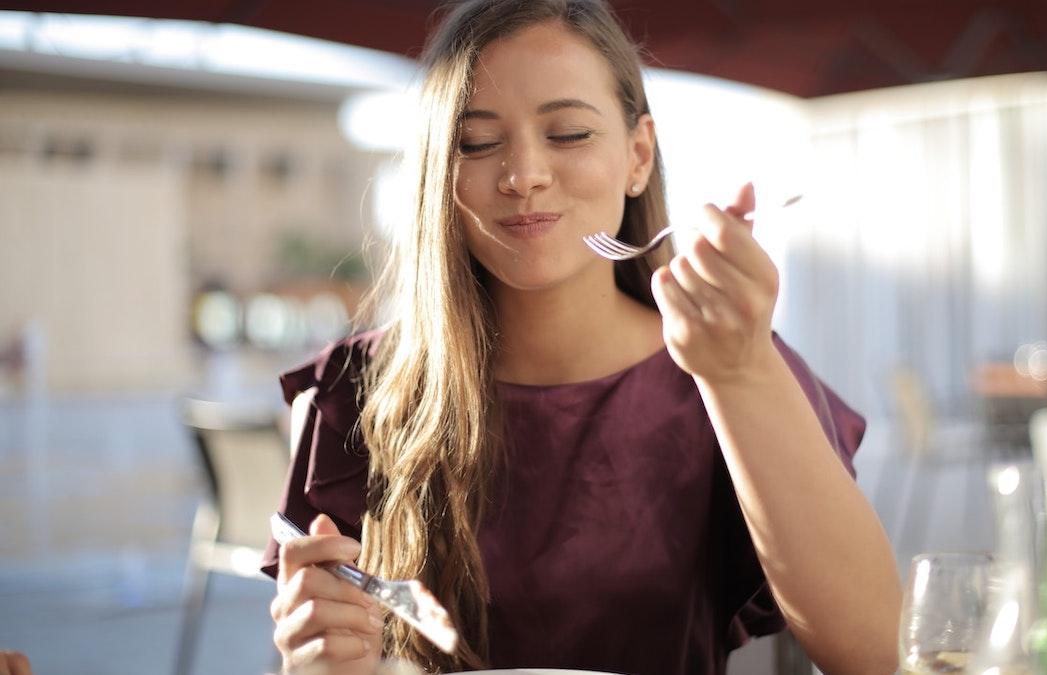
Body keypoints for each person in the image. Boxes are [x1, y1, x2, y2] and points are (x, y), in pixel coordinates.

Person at [262, 0, 901, 673]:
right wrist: (319, 654)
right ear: (437, 176)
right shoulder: (362, 388)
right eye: (477, 142)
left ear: (638, 156)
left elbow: (877, 651)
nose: (524, 175)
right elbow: (329, 647)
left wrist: (741, 374)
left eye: (567, 133)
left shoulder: (726, 366)